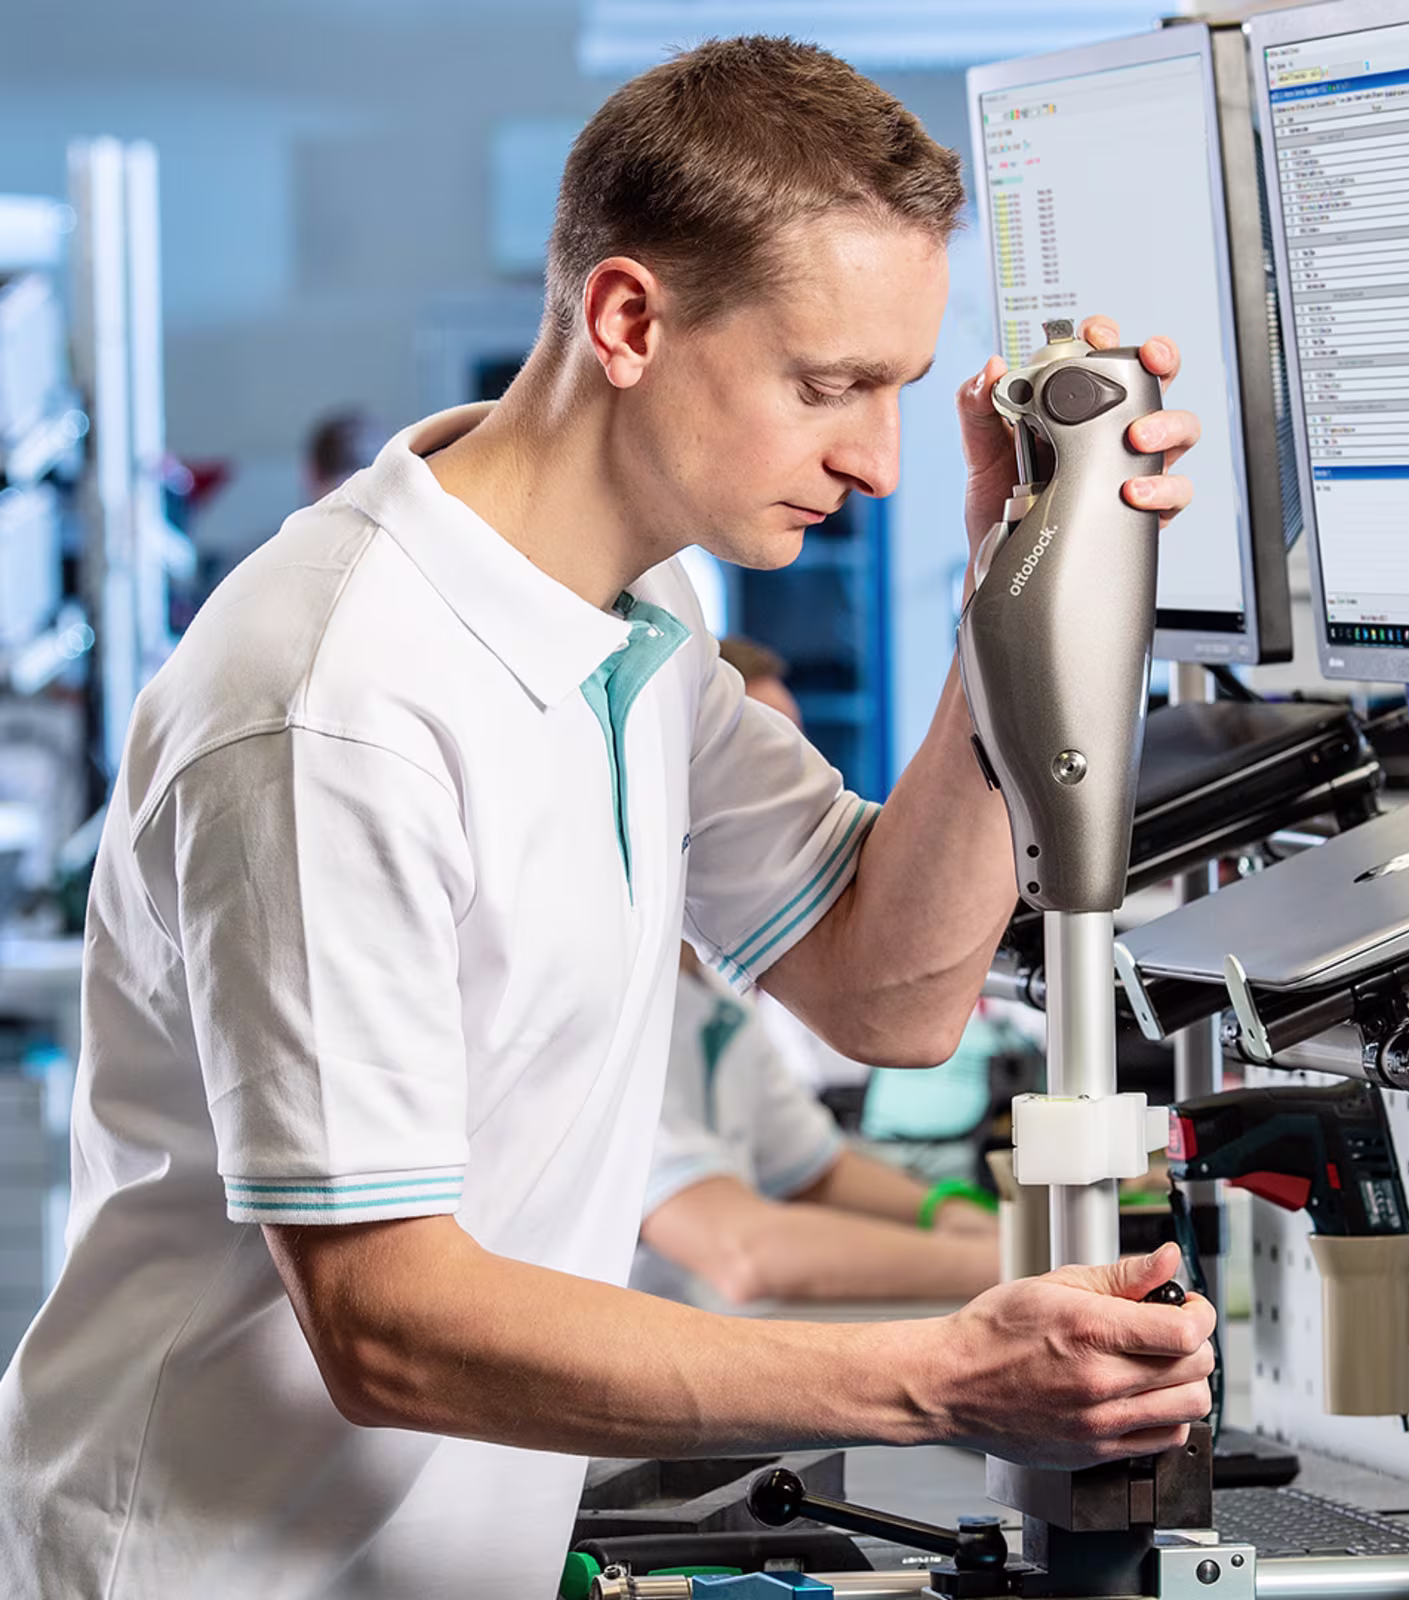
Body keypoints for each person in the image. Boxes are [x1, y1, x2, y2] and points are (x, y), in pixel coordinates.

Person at [0, 37, 1208, 1600]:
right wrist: (935, 1375)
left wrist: (1017, 599)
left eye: (899, 390)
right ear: (628, 319)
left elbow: (886, 990)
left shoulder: (642, 615)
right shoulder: (337, 700)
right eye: (827, 384)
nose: (879, 462)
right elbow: (389, 1322)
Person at [635, 636, 998, 1307]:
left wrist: (946, 1209)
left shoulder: (711, 986)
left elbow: (812, 1167)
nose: (789, 788)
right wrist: (1015, 1263)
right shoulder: (609, 995)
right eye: (758, 757)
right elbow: (743, 1252)